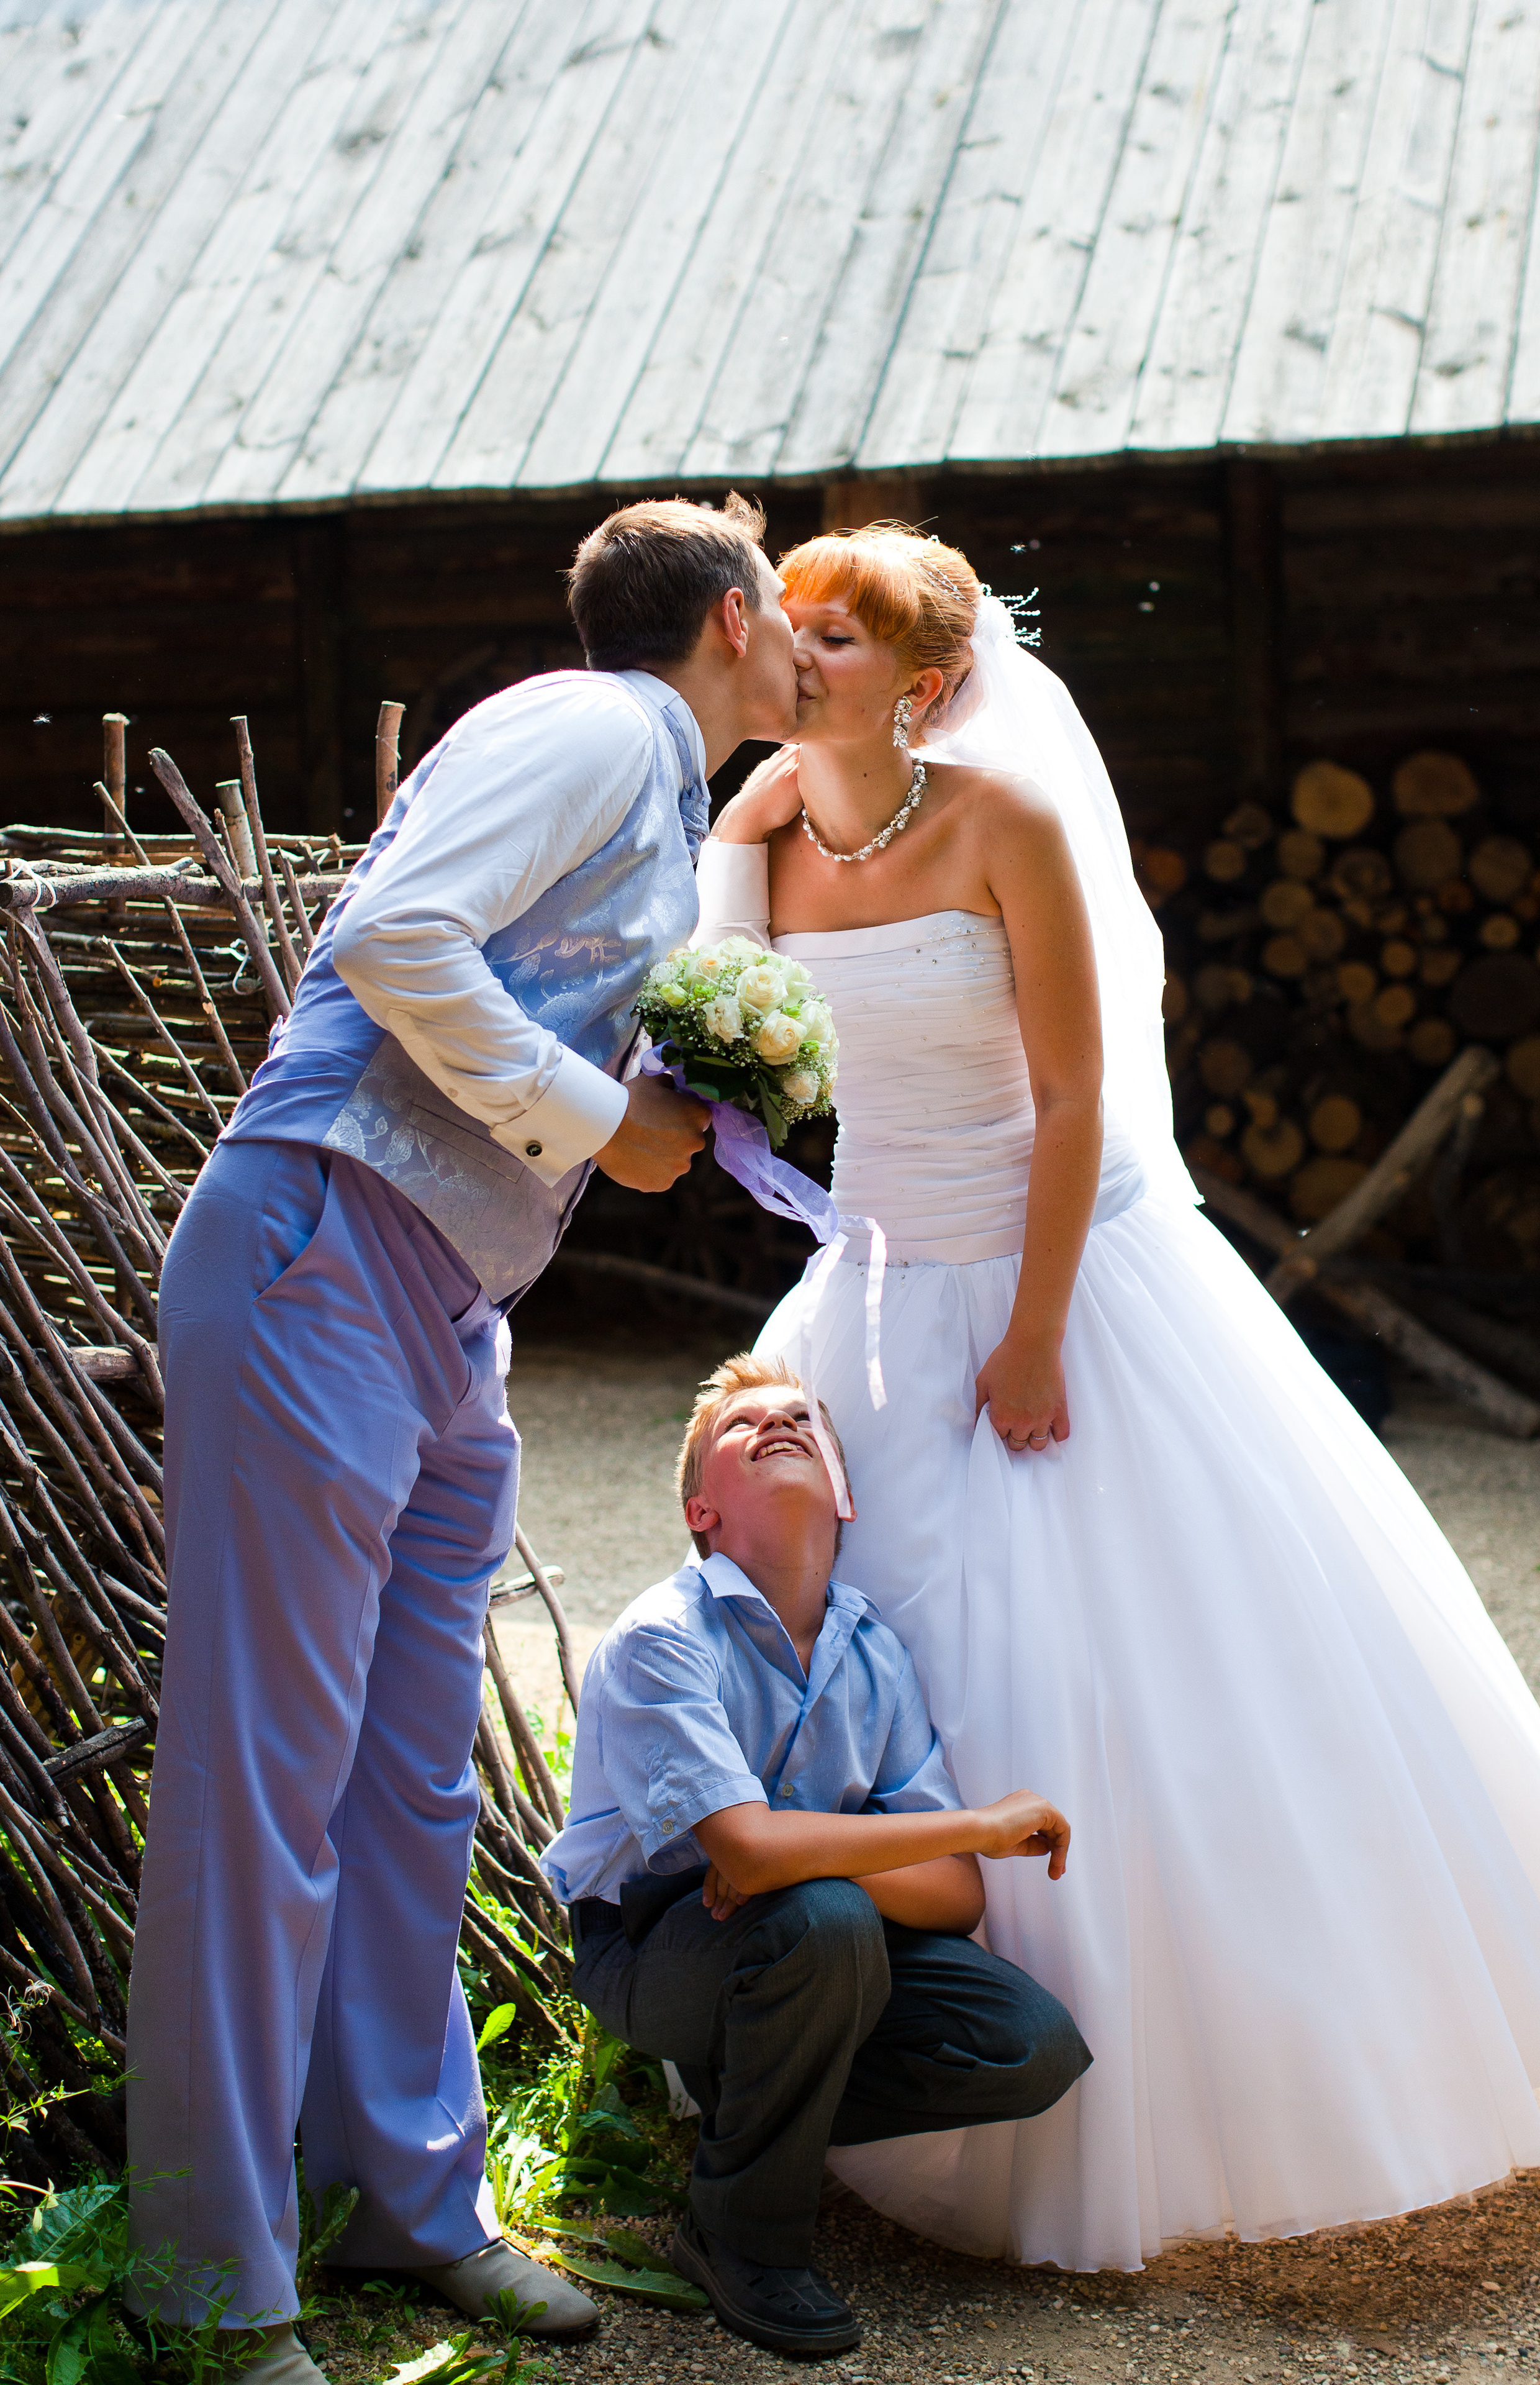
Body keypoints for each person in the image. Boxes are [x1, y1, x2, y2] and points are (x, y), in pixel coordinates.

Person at [689, 523, 1540, 2274]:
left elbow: (1077, 1093)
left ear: (931, 684)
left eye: (837, 637)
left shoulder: (1005, 823)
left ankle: (1196, 2081)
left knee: (1134, 1658)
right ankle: (859, 2059)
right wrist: (731, 857)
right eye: (786, 627)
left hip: (1054, 1267)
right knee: (883, 1640)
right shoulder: (762, 831)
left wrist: (1034, 1333)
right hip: (870, 1281)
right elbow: (725, 1038)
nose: (797, 656)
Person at [125, 496, 799, 2381]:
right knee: (265, 1783)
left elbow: (522, 983)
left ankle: (409, 2206)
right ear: (732, 620)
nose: (815, 656)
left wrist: (692, 1093)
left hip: (448, 1310)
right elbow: (396, 936)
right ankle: (207, 2282)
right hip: (319, 1244)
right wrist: (602, 1115)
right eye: (795, 621)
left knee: (416, 1777)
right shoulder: (591, 722)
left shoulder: (666, 796)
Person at [541, 1353, 1090, 2359]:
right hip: (653, 1944)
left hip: (798, 1941)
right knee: (823, 1918)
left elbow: (953, 1904)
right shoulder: (665, 1637)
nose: (782, 1423)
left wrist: (799, 1853)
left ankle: (752, 2094)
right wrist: (971, 1824)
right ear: (702, 1511)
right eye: (745, 1428)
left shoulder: (876, 1652)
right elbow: (752, 1857)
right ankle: (741, 2234)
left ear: (843, 1492)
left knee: (1027, 2043)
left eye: (804, 1418)